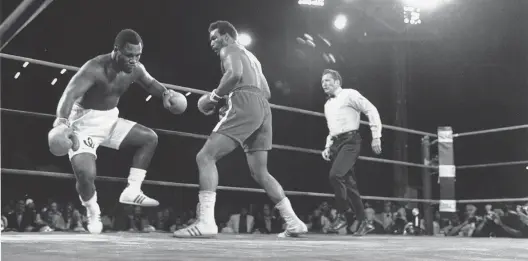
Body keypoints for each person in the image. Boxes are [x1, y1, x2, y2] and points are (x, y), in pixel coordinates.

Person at [173, 21, 307, 238]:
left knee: (205, 157)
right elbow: (266, 91)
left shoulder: (229, 49)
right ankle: (294, 222)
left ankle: (206, 222)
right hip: (263, 109)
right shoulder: (253, 58)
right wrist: (230, 101)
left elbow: (234, 74)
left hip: (245, 103)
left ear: (226, 37)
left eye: (215, 38)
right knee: (260, 172)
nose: (212, 43)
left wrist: (215, 98)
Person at [48, 29, 186, 234]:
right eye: (129, 55)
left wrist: (165, 93)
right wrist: (61, 122)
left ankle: (133, 189)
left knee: (149, 138)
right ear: (116, 51)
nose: (134, 60)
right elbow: (69, 95)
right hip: (84, 124)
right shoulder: (94, 68)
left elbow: (150, 83)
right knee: (86, 175)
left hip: (110, 120)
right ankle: (92, 210)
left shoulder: (136, 68)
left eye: (138, 55)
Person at [320, 69, 382, 236]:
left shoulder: (349, 94)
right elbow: (331, 130)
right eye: (322, 81)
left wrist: (376, 136)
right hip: (337, 144)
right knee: (350, 185)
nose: (324, 83)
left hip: (351, 141)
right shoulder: (328, 105)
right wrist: (327, 146)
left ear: (337, 82)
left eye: (328, 80)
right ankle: (364, 222)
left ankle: (342, 214)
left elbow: (371, 109)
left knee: (335, 175)